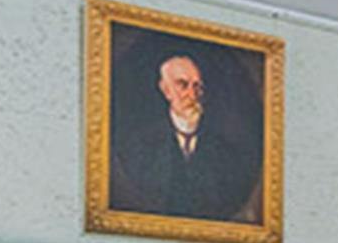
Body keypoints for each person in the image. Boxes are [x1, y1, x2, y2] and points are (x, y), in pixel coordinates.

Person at [110, 51, 261, 225]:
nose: (192, 94)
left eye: (197, 86)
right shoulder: (139, 145)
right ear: (166, 90)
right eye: (182, 84)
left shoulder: (224, 151)